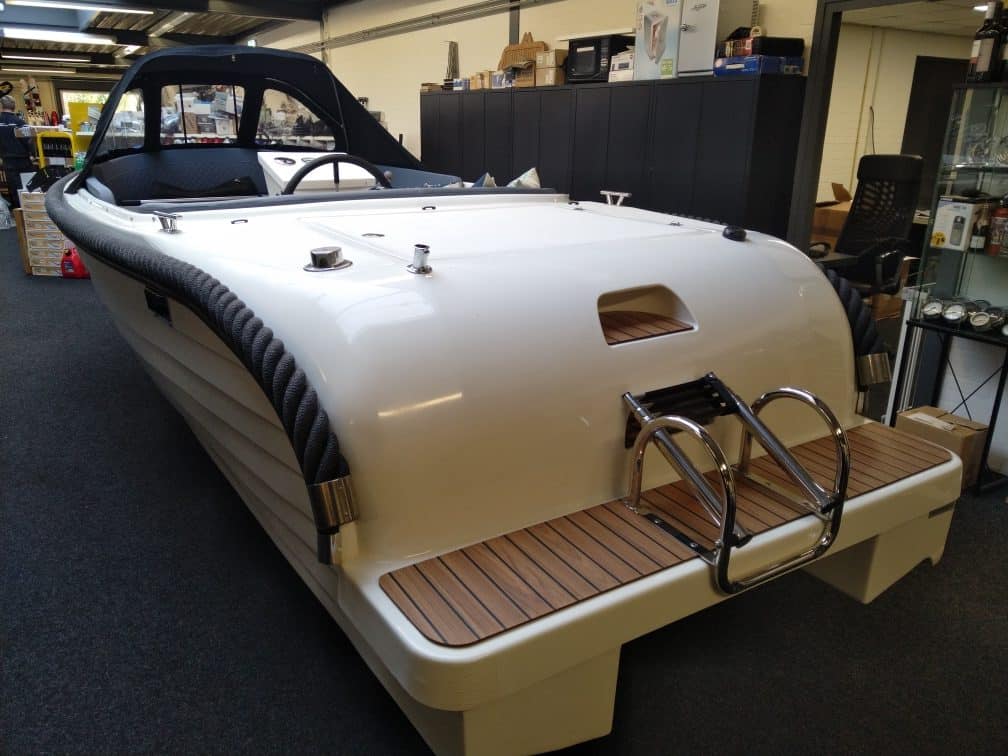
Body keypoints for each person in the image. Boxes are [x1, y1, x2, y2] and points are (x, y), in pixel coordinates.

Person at [0, 95, 31, 208]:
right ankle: (30, 209)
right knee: (28, 186)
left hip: (8, 161)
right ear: (14, 106)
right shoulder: (20, 122)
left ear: (1, 106)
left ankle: (18, 211)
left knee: (14, 188)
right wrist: (32, 154)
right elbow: (28, 141)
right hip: (24, 161)